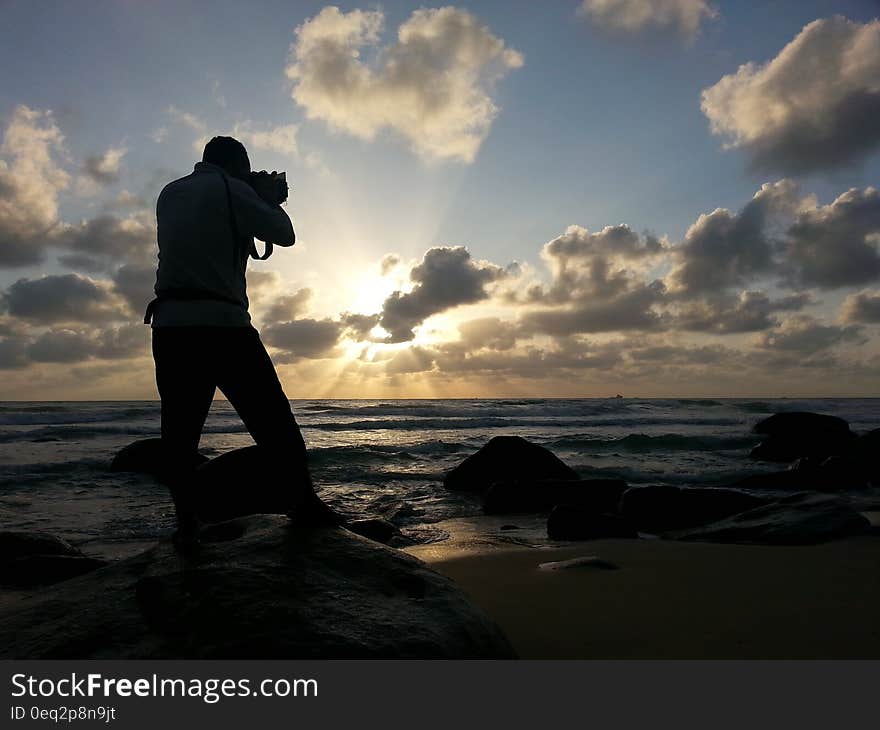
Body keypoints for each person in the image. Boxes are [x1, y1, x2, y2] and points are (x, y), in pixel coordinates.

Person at [146, 135, 339, 551]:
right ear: (238, 163)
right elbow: (283, 235)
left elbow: (210, 231)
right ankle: (304, 505)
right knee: (275, 424)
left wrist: (251, 190)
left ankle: (185, 522)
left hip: (170, 325)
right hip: (223, 325)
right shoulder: (232, 189)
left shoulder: (170, 192)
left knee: (179, 434)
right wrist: (269, 198)